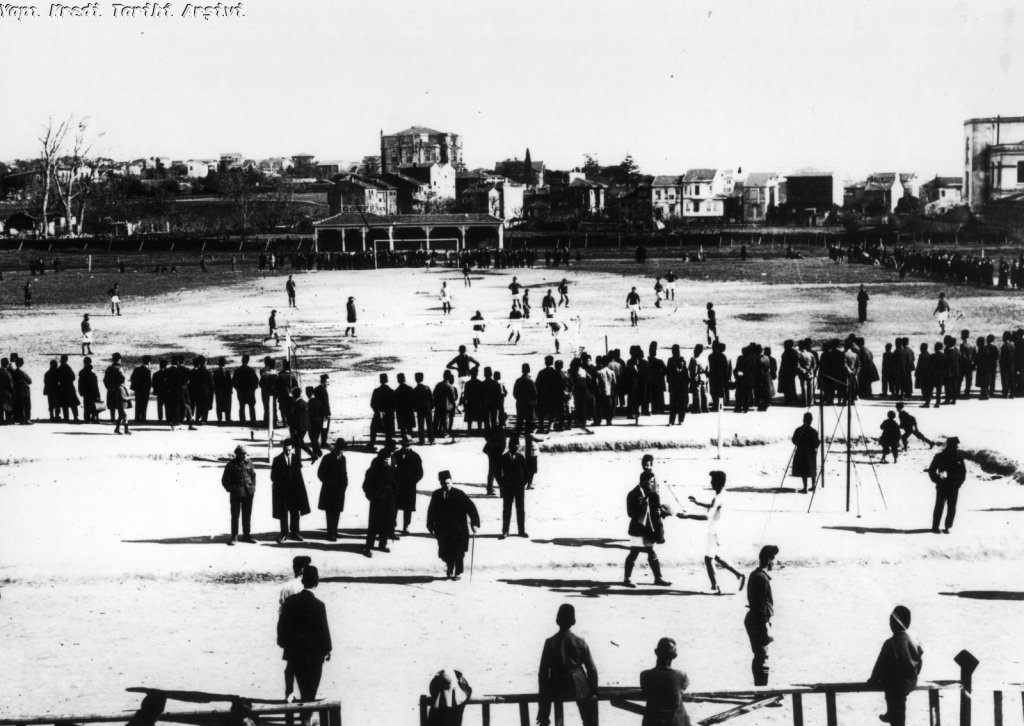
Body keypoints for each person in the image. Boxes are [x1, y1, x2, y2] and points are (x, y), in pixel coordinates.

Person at [537, 604, 598, 726]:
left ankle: (543, 719)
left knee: (545, 693)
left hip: (556, 685)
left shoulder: (550, 642)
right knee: (589, 715)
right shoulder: (580, 642)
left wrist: (543, 693)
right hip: (578, 686)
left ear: (557, 621)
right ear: (574, 622)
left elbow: (543, 672)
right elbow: (592, 669)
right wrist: (594, 689)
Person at [277, 566, 331, 704]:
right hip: (314, 655)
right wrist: (327, 650)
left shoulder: (290, 601)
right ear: (316, 582)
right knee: (310, 691)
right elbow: (323, 631)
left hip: (295, 653)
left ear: (303, 581)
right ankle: (306, 719)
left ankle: (304, 718)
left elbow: (282, 626)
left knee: (301, 685)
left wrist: (285, 644)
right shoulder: (319, 605)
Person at [686, 471, 745, 594]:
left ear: (718, 482)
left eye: (712, 481)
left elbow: (707, 516)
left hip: (714, 532)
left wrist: (687, 516)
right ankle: (739, 575)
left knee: (708, 559)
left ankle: (715, 587)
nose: (711, 483)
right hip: (718, 531)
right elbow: (713, 506)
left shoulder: (717, 498)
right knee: (716, 557)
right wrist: (697, 503)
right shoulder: (721, 496)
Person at [867, 606, 923, 726]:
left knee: (895, 704)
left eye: (891, 621)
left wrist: (873, 680)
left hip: (895, 685)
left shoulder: (890, 643)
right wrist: (914, 675)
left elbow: (880, 665)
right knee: (899, 704)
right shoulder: (915, 641)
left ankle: (892, 714)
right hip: (910, 682)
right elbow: (919, 662)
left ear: (893, 623)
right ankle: (892, 713)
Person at [624, 457, 672, 588]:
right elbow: (630, 514)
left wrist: (663, 511)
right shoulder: (633, 494)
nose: (653, 485)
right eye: (651, 482)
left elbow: (656, 508)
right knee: (634, 552)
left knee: (651, 552)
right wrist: (643, 506)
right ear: (644, 482)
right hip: (638, 528)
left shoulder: (652, 494)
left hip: (648, 528)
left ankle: (658, 578)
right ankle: (627, 579)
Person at [426, 470, 481, 580]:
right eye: (444, 483)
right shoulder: (436, 494)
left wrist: (475, 523)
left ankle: (458, 572)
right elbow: (431, 511)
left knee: (458, 552)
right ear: (440, 483)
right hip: (443, 529)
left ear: (451, 481)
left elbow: (471, 508)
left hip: (458, 530)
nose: (446, 485)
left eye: (448, 483)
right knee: (445, 552)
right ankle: (450, 566)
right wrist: (430, 525)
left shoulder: (459, 494)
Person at [743, 545, 778, 686]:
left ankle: (759, 688)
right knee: (763, 656)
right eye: (775, 560)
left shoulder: (755, 574)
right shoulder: (762, 578)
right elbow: (760, 607)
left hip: (753, 619)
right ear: (769, 560)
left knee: (759, 655)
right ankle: (762, 691)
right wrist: (766, 627)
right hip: (758, 621)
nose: (776, 563)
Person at [639, 638, 691, 726]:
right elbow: (682, 688)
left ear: (656, 652)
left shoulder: (645, 675)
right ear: (675, 655)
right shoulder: (682, 675)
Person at [271, 439, 310, 543]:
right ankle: (284, 534)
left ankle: (295, 533)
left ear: (292, 449)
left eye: (289, 450)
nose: (287, 452)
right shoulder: (277, 460)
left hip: (295, 491)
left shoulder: (296, 459)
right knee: (283, 513)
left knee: (295, 512)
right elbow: (273, 477)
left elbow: (299, 475)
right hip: (283, 492)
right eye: (285, 450)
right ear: (283, 448)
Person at [362, 446, 398, 556]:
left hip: (389, 499)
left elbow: (396, 481)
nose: (387, 461)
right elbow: (366, 485)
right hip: (377, 500)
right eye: (385, 459)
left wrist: (393, 492)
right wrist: (372, 496)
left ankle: (382, 544)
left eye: (389, 458)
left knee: (386, 522)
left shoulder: (392, 467)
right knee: (373, 524)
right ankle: (368, 547)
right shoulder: (374, 469)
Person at [928, 436, 967, 533]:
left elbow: (963, 472)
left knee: (952, 507)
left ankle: (947, 526)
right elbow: (931, 470)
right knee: (939, 506)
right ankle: (935, 527)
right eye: (954, 446)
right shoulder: (939, 456)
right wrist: (936, 480)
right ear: (949, 446)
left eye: (956, 446)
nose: (956, 447)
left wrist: (960, 483)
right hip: (942, 485)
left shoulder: (959, 458)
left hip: (954, 486)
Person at [222, 445, 257, 545]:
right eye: (241, 454)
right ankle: (234, 536)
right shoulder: (231, 465)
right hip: (236, 494)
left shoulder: (249, 462)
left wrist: (253, 487)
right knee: (235, 516)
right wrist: (232, 490)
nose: (243, 456)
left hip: (248, 493)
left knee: (247, 515)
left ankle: (246, 535)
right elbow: (225, 481)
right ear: (236, 454)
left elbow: (253, 476)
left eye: (244, 454)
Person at [496, 437, 529, 538]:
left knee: (520, 509)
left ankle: (521, 531)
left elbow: (527, 472)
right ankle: (505, 531)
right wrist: (502, 483)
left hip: (519, 487)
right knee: (507, 509)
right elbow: (497, 472)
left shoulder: (520, 457)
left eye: (517, 446)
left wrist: (522, 483)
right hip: (507, 488)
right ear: (509, 447)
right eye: (515, 446)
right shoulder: (503, 458)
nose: (516, 448)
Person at [317, 438, 348, 541]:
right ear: (336, 448)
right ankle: (330, 533)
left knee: (337, 511)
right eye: (340, 449)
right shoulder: (327, 458)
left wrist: (344, 485)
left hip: (339, 490)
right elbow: (320, 473)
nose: (341, 452)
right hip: (329, 491)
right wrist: (329, 482)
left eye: (343, 450)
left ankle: (334, 530)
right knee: (330, 512)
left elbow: (344, 474)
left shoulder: (343, 459)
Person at [394, 436, 424, 534]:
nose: (405, 447)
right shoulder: (395, 455)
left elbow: (420, 473)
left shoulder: (415, 457)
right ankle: (392, 525)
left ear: (411, 445)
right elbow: (391, 469)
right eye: (404, 445)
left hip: (409, 486)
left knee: (408, 508)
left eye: (407, 445)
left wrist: (412, 481)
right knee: (394, 506)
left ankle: (406, 526)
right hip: (397, 485)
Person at [790, 412, 820, 493]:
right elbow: (817, 442)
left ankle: (805, 487)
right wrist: (813, 447)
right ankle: (813, 486)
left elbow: (794, 440)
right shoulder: (813, 431)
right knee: (811, 468)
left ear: (804, 420)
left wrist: (800, 444)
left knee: (804, 470)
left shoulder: (799, 430)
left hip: (801, 452)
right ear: (811, 420)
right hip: (810, 453)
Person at [104, 353, 130, 435]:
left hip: (112, 391)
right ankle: (124, 429)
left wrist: (110, 388)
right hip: (120, 391)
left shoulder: (109, 369)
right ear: (119, 359)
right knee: (122, 411)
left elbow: (105, 380)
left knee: (120, 411)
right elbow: (123, 379)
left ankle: (119, 427)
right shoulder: (119, 369)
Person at [370, 373, 396, 446]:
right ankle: (388, 442)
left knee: (373, 428)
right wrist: (388, 412)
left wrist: (378, 412)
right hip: (389, 415)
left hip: (378, 414)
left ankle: (372, 442)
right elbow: (394, 404)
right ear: (387, 380)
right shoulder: (391, 391)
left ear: (380, 381)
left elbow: (372, 404)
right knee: (388, 430)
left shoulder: (376, 391)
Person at [232, 354, 259, 425]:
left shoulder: (237, 370)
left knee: (241, 407)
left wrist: (237, 388)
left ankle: (242, 421)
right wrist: (253, 389)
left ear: (242, 360)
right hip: (250, 391)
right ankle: (253, 421)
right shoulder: (250, 370)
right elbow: (256, 380)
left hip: (241, 391)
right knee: (251, 407)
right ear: (248, 361)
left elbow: (233, 382)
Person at [78, 356, 101, 423]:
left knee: (86, 405)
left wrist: (80, 391)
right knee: (93, 405)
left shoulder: (82, 372)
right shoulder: (92, 374)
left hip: (85, 392)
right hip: (93, 391)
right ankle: (94, 418)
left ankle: (87, 418)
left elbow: (80, 383)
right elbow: (95, 385)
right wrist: (97, 393)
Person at [130, 356, 153, 423]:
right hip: (145, 391)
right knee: (144, 405)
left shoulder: (137, 369)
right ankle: (143, 418)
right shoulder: (148, 371)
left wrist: (135, 387)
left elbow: (132, 378)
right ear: (148, 362)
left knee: (138, 404)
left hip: (138, 390)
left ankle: (137, 417)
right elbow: (149, 382)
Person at [313, 374, 332, 446]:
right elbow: (325, 403)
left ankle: (315, 441)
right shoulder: (323, 390)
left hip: (317, 412)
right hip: (324, 413)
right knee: (324, 428)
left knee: (317, 429)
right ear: (323, 381)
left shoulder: (316, 389)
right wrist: (328, 414)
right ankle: (323, 442)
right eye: (327, 382)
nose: (328, 384)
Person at [213, 357, 233, 423]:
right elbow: (230, 382)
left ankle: (220, 418)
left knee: (219, 404)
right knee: (227, 405)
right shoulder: (227, 371)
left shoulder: (216, 372)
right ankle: (227, 418)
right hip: (226, 391)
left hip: (219, 391)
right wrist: (230, 390)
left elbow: (214, 382)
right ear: (225, 363)